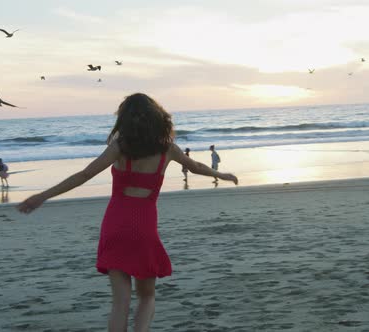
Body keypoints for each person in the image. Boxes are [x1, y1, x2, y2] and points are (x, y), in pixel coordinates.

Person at [17, 93, 238, 331]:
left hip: (115, 225)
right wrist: (221, 175)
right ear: (158, 118)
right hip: (143, 227)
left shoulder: (118, 148)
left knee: (120, 302)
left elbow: (83, 175)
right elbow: (196, 167)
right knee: (147, 297)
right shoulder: (168, 149)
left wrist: (42, 196)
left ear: (125, 120)